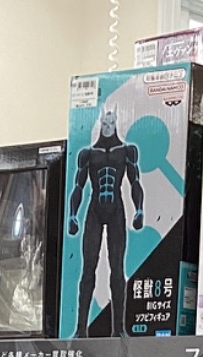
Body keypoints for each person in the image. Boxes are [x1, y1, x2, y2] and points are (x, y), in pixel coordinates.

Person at [67, 104, 145, 336]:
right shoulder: (88, 154)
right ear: (100, 124)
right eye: (105, 123)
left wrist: (139, 210)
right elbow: (78, 186)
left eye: (111, 123)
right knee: (88, 268)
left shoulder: (127, 151)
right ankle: (81, 329)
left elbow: (135, 182)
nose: (108, 127)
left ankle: (118, 329)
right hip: (94, 209)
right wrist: (73, 214)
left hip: (116, 210)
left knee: (117, 268)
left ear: (116, 122)